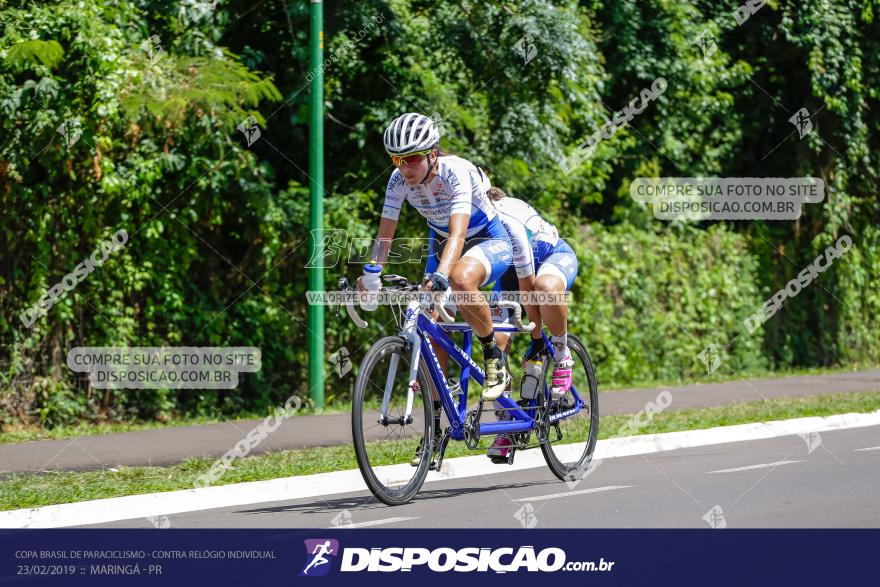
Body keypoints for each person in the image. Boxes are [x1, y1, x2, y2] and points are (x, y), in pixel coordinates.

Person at [357, 113, 514, 463]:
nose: (405, 167)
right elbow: (385, 236)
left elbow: (459, 234)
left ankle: (493, 358)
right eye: (397, 159)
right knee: (426, 323)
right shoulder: (398, 181)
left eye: (412, 158)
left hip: (485, 238)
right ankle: (438, 426)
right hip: (442, 243)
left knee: (459, 279)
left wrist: (442, 276)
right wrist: (371, 272)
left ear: (432, 154)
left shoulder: (455, 171)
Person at [483, 187, 579, 461]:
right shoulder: (471, 224)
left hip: (550, 258)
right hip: (513, 274)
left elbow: (528, 289)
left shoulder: (505, 221)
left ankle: (562, 356)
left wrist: (537, 339)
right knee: (494, 347)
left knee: (544, 288)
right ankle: (508, 423)